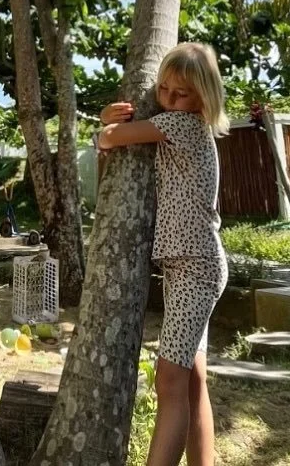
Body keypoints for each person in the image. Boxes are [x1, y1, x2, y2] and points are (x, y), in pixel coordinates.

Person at [97, 42, 229, 466]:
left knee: (170, 380)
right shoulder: (178, 123)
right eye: (163, 89)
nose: (168, 100)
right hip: (190, 266)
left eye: (181, 93)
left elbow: (115, 138)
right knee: (191, 381)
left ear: (203, 99)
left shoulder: (185, 126)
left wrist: (104, 125)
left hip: (196, 266)